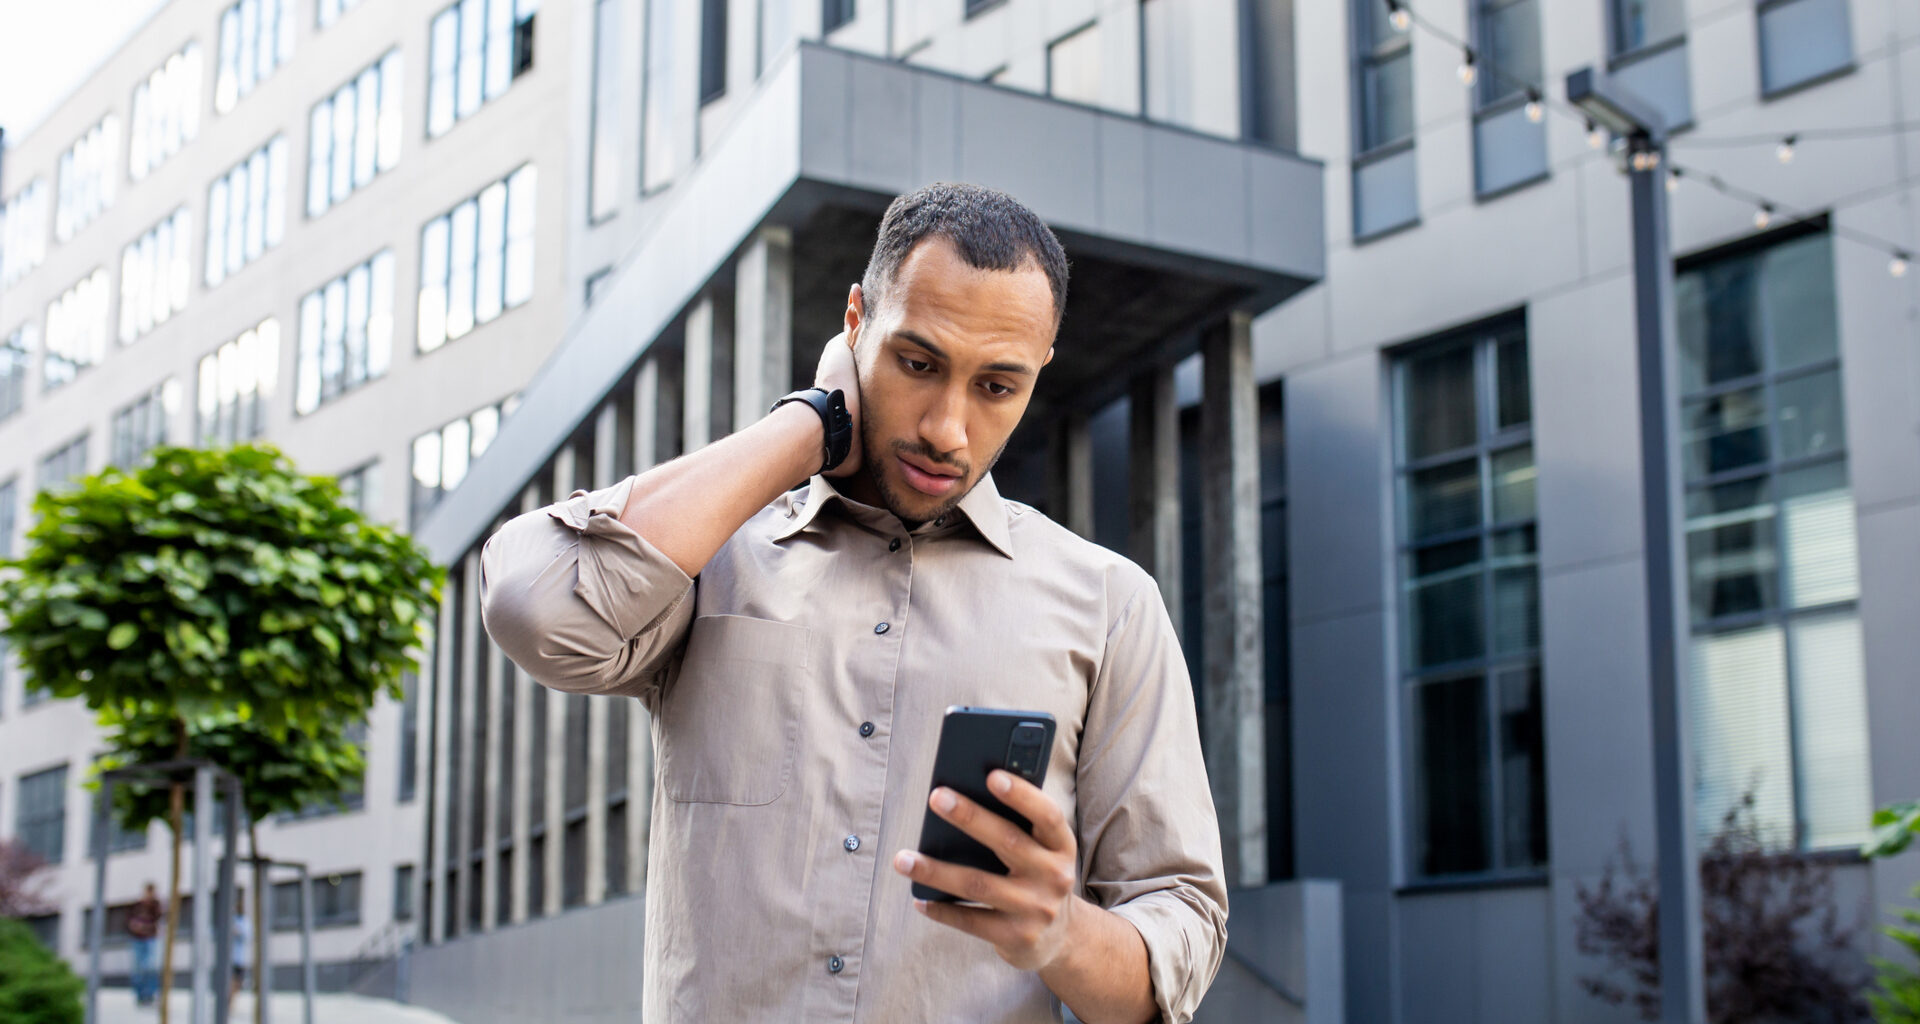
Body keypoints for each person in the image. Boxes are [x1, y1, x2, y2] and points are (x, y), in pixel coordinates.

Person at [482, 182, 1226, 1023]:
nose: (948, 429)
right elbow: (535, 608)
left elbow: (1180, 925)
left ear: (1040, 369)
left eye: (997, 387)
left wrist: (1061, 933)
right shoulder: (711, 555)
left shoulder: (1111, 605)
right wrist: (811, 424)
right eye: (917, 363)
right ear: (855, 322)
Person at [126, 882, 161, 1006]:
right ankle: (140, 995)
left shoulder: (156, 905)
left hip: (150, 939)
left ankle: (150, 994)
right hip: (138, 939)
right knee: (138, 968)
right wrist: (135, 927)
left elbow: (159, 918)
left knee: (150, 967)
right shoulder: (137, 905)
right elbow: (129, 921)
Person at [227, 891, 249, 1005]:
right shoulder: (232, 920)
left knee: (237, 983)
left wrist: (237, 931)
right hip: (231, 958)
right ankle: (229, 1003)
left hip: (240, 958)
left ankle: (231, 1001)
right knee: (231, 982)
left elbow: (246, 935)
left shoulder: (244, 921)